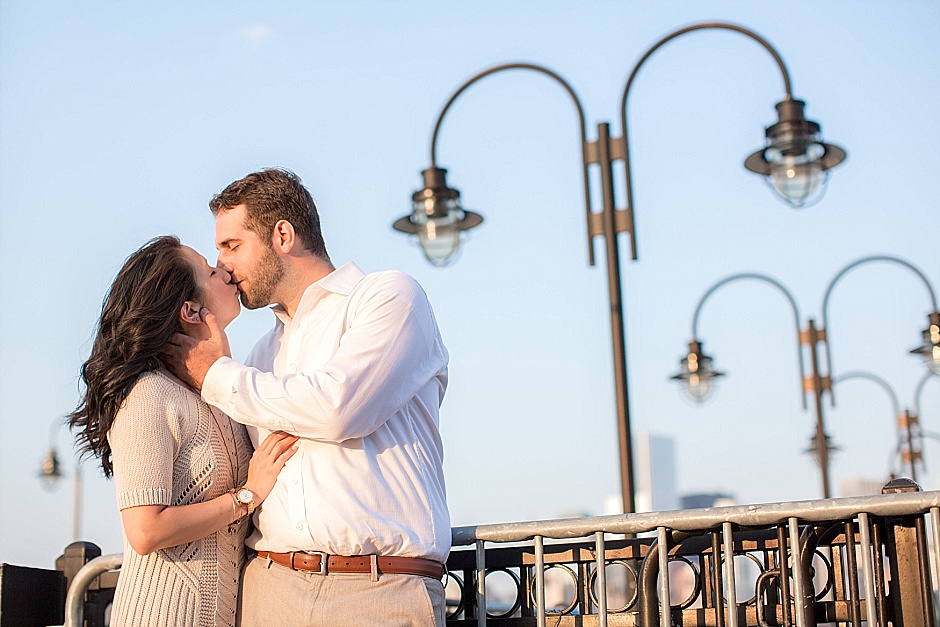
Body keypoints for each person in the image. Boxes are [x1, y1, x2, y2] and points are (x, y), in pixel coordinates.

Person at [163, 168, 451, 626]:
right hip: (269, 591)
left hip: (379, 593)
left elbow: (339, 408)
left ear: (282, 235)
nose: (222, 267)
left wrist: (215, 373)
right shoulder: (258, 355)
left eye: (232, 246)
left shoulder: (388, 297)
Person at [68, 236, 299, 627]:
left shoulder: (217, 395)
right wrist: (246, 496)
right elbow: (145, 529)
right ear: (191, 311)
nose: (224, 270)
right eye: (211, 271)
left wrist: (220, 362)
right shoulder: (149, 393)